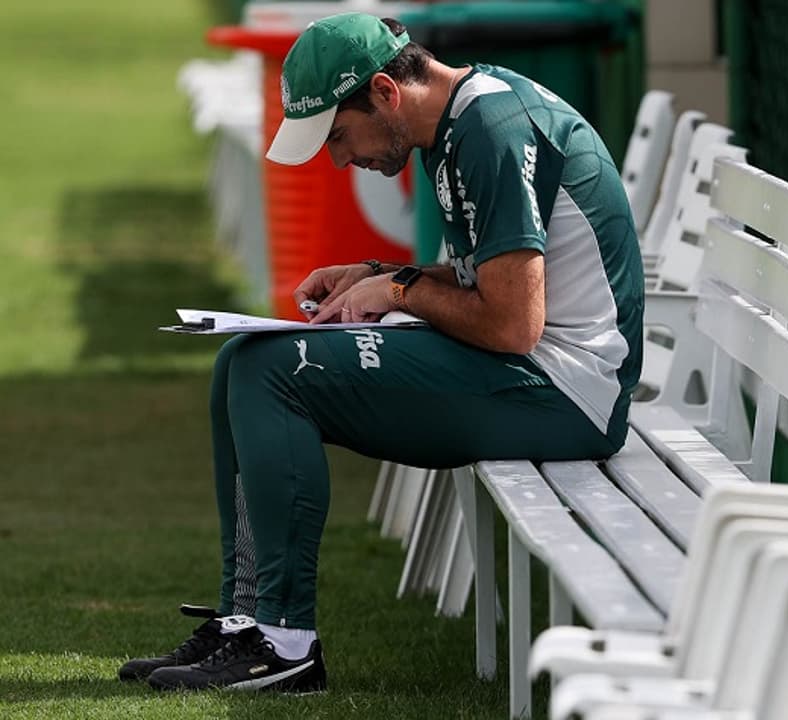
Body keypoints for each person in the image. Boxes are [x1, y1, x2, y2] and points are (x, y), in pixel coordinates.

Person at [118, 13, 643, 692]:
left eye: (339, 135)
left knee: (274, 371)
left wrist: (396, 288)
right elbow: (486, 284)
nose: (339, 160)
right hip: (538, 371)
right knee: (239, 360)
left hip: (568, 393)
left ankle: (284, 644)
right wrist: (375, 273)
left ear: (386, 93)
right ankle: (246, 621)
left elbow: (513, 324)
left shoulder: (491, 128)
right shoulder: (463, 120)